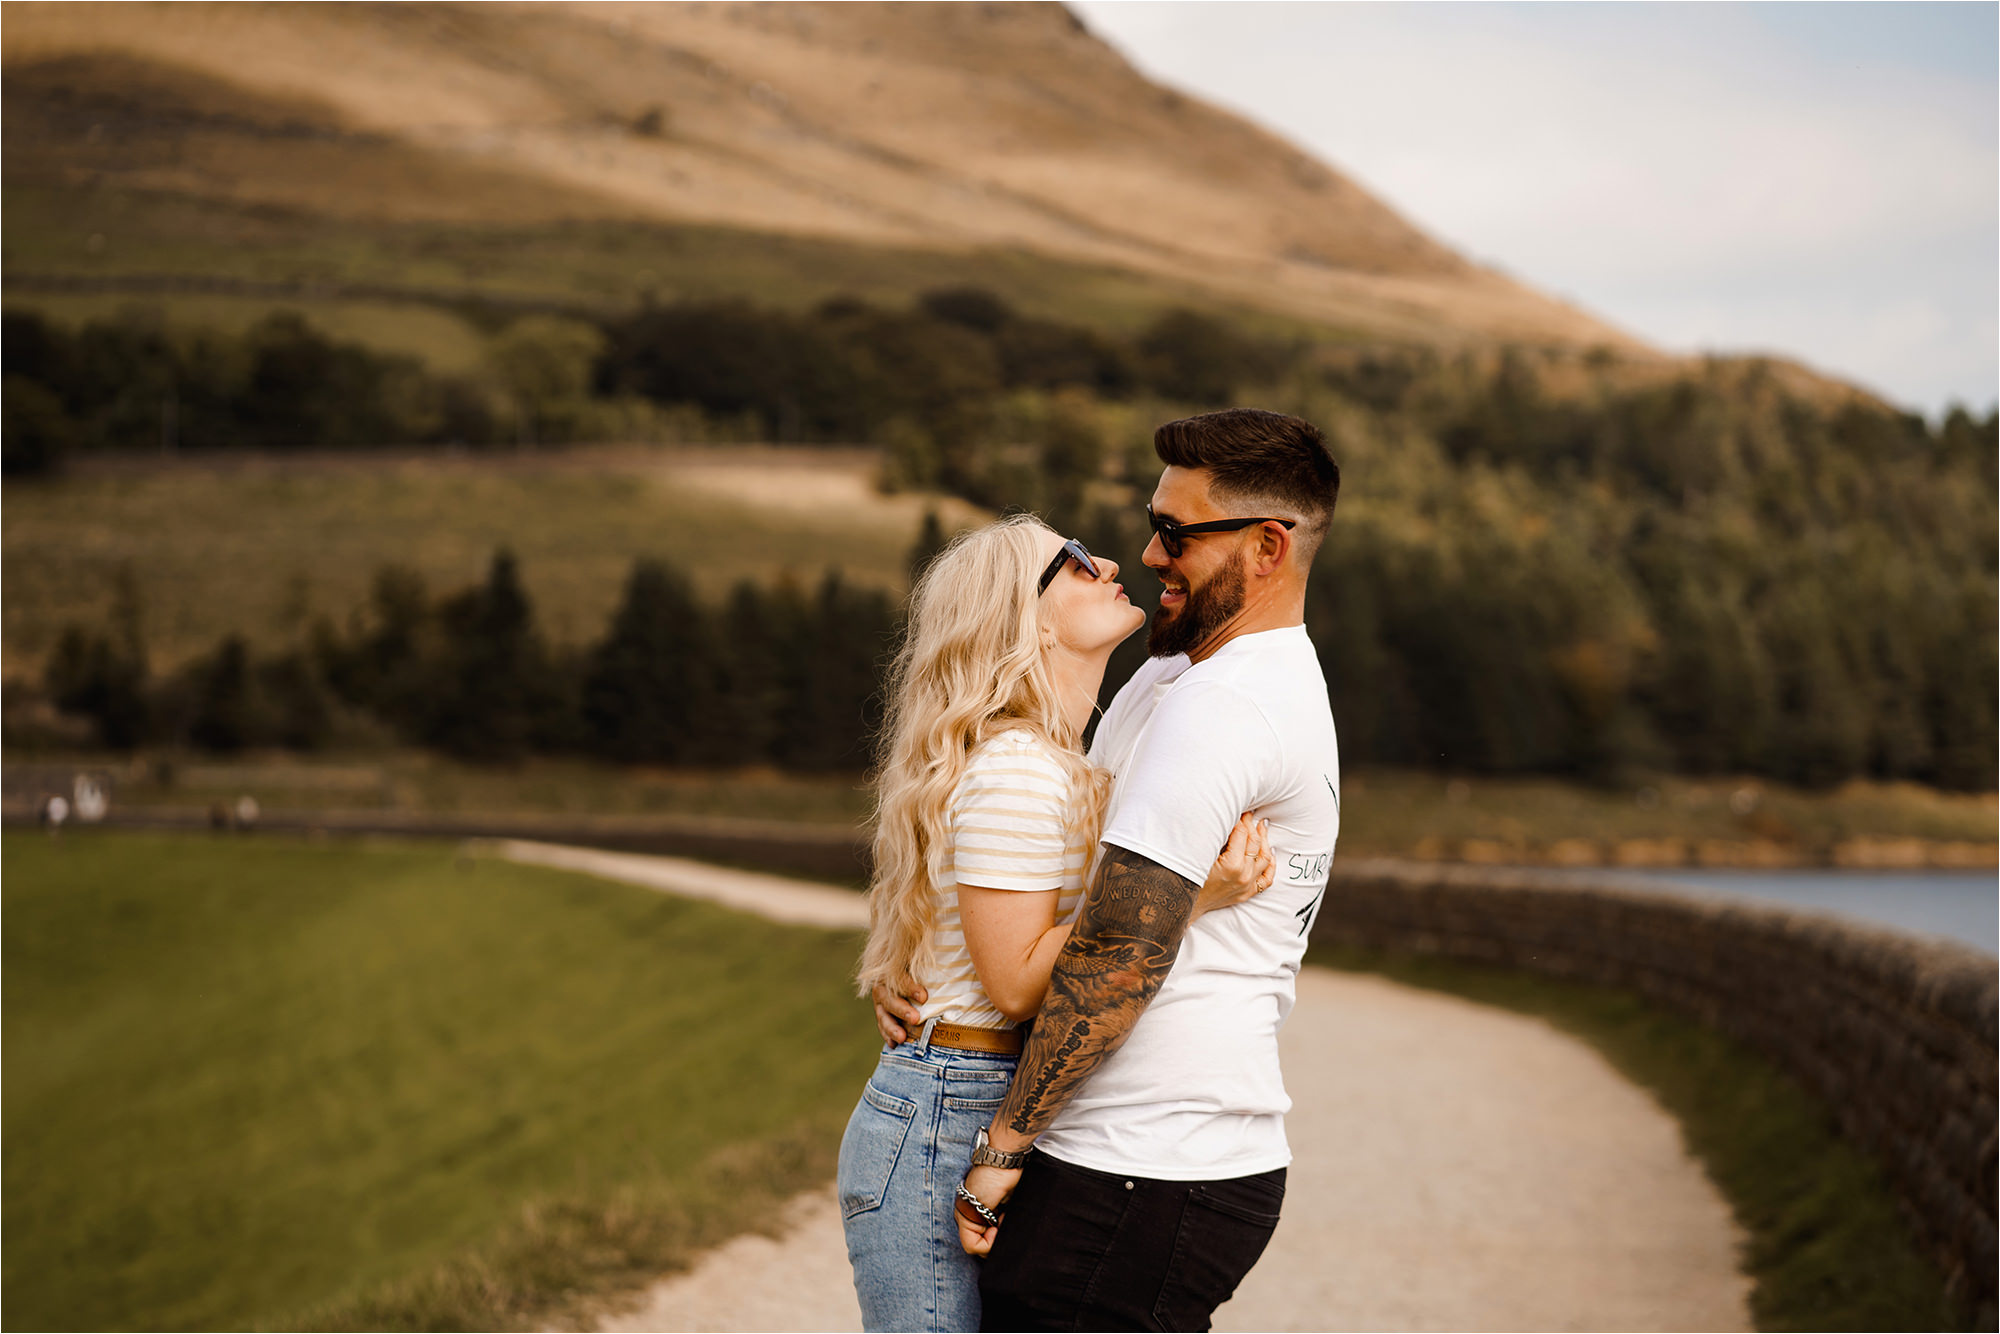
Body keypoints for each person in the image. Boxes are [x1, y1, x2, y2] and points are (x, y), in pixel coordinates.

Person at [875, 408, 1343, 1332]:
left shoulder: (1225, 708)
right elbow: (1045, 863)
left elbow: (1117, 953)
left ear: (1266, 546)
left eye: (1177, 532)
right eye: (1153, 522)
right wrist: (925, 971)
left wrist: (1003, 1145)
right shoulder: (1169, 678)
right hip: (1135, 1160)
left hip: (1142, 1167)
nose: (1150, 552)